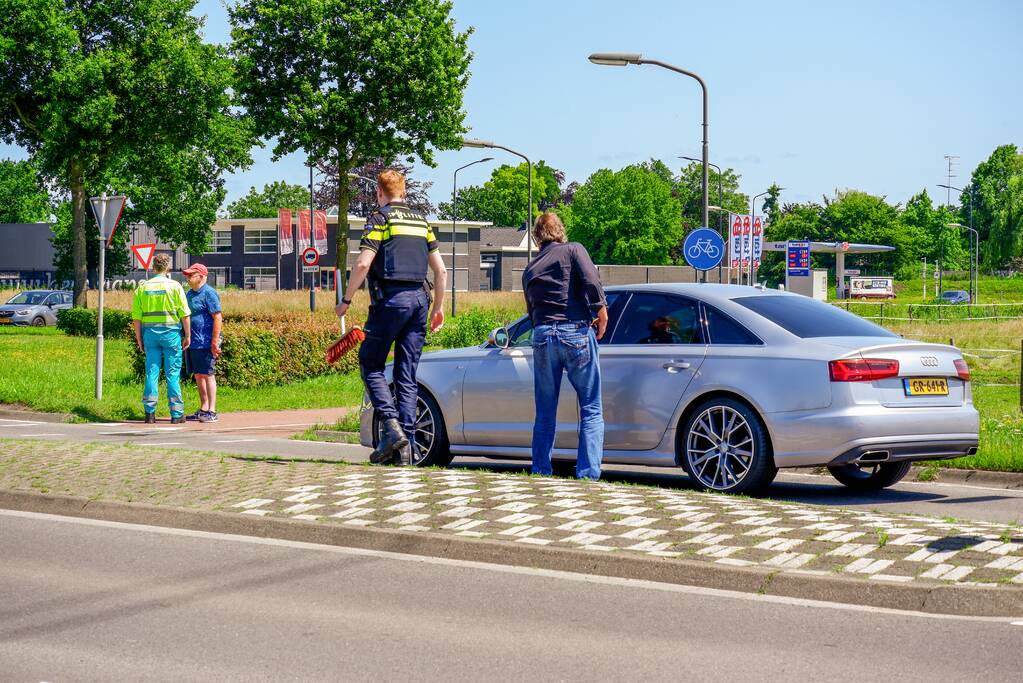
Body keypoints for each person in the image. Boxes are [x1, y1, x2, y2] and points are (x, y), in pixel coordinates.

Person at [335, 168, 447, 466]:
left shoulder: (380, 219)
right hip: (420, 302)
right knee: (406, 375)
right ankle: (405, 451)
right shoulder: (421, 221)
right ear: (404, 191)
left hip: (390, 301)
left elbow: (363, 264)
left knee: (370, 364)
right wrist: (438, 307)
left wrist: (346, 300)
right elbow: (441, 270)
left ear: (379, 193)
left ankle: (391, 426)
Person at [522, 212, 607, 480]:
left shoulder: (530, 269)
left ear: (537, 237)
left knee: (545, 410)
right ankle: (588, 474)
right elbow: (591, 280)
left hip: (542, 334)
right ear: (560, 231)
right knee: (591, 406)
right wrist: (601, 309)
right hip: (575, 331)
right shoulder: (574, 250)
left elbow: (531, 309)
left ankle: (540, 470)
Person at [131, 253, 191, 424]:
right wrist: (188, 335)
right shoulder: (175, 286)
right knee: (172, 373)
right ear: (168, 267)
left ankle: (149, 413)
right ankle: (177, 414)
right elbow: (184, 313)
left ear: (153, 267)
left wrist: (139, 339)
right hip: (171, 334)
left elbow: (137, 317)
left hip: (150, 334)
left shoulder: (143, 287)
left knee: (152, 372)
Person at [182, 263, 222, 423]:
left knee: (208, 374)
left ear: (202, 276)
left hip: (206, 341)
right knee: (198, 374)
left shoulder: (209, 293)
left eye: (191, 275)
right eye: (187, 275)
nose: (188, 278)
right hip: (194, 341)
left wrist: (214, 341)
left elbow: (217, 317)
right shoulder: (189, 294)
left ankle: (212, 410)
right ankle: (204, 408)